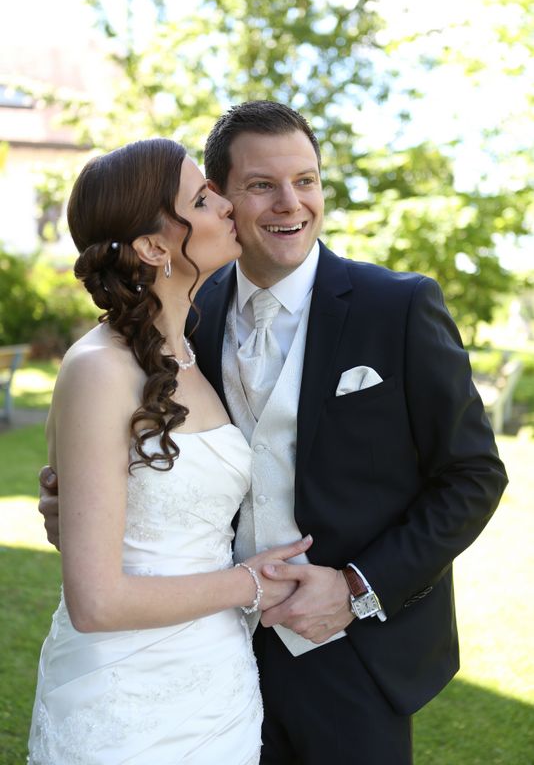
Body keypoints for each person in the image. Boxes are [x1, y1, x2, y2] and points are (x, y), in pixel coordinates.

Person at [39, 103, 508, 764]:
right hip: (207, 649)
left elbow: (473, 474)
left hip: (351, 656)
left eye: (307, 180)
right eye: (261, 185)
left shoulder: (397, 307)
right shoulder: (180, 320)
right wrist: (78, 505)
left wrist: (357, 588)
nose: (292, 203)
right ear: (222, 198)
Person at [28, 137, 313, 765]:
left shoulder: (189, 354)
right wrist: (249, 584)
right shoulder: (99, 370)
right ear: (155, 248)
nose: (228, 206)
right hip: (124, 697)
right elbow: (97, 602)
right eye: (203, 201)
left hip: (218, 682)